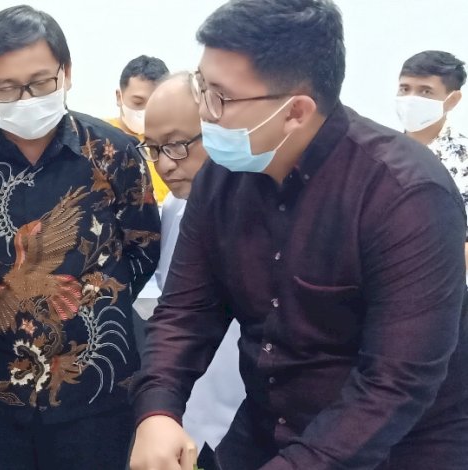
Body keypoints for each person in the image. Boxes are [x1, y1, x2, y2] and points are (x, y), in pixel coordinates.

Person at [131, 0, 468, 469]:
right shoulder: (221, 178)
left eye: (220, 98)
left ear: (295, 112)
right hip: (271, 423)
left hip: (393, 444)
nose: (204, 114)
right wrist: (159, 410)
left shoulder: (406, 196)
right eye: (201, 87)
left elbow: (393, 384)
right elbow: (187, 311)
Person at [0, 6, 160, 469]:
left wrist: (91, 303)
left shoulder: (114, 152)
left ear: (66, 73)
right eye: (7, 87)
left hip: (96, 391)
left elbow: (144, 249)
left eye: (40, 82)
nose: (26, 98)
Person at [138, 71, 242, 451]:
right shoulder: (174, 207)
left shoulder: (262, 205)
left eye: (177, 145)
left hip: (252, 410)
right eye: (153, 148)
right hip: (186, 408)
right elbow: (177, 310)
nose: (164, 165)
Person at [397, 51, 468, 211]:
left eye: (425, 91)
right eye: (404, 89)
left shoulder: (463, 159)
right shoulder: (380, 151)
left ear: (453, 100)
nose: (410, 99)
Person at [108, 54, 171, 203]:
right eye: (138, 102)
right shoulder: (99, 137)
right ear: (119, 97)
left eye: (155, 104)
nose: (147, 111)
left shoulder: (173, 144)